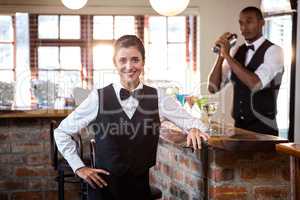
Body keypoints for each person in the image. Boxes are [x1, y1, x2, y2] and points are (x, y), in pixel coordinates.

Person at [54, 35, 209, 200]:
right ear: (115, 63)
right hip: (103, 190)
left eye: (135, 60)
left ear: (143, 62)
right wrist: (79, 168)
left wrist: (193, 128)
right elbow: (61, 132)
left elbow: (199, 124)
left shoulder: (158, 97)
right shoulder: (98, 98)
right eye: (123, 60)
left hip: (139, 190)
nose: (129, 66)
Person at [208, 6, 284, 136]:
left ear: (261, 23)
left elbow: (255, 84)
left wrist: (227, 56)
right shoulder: (235, 51)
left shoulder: (275, 52)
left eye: (249, 22)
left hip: (264, 130)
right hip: (238, 129)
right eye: (241, 23)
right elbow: (213, 88)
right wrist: (220, 56)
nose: (244, 28)